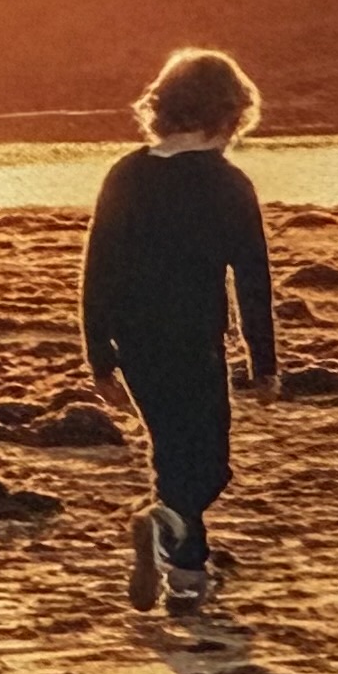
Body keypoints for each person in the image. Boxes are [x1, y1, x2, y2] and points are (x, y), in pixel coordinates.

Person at [80, 47, 278, 609]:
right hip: (196, 344)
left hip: (135, 344)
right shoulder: (228, 184)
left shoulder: (127, 173)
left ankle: (187, 580)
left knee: (171, 453)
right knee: (209, 465)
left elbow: (97, 269)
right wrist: (262, 363)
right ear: (228, 116)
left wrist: (99, 357)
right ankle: (165, 528)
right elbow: (252, 280)